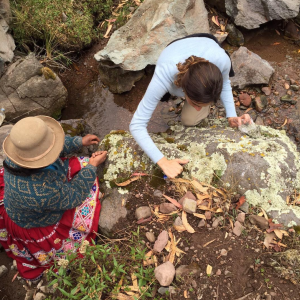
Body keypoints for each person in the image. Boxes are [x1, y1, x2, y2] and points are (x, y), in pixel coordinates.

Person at [0, 116, 107, 281]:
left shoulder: (17, 158)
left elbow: (54, 146)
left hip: (21, 206)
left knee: (81, 165)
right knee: (86, 170)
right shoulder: (42, 192)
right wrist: (92, 167)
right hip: (36, 223)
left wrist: (79, 142)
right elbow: (74, 196)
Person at [130, 34, 251, 178]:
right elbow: (136, 124)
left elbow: (225, 83)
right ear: (183, 90)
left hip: (206, 43)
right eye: (195, 103)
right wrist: (162, 161)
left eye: (204, 104)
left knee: (189, 120)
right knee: (188, 115)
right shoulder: (164, 74)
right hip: (173, 50)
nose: (198, 108)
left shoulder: (221, 60)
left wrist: (231, 115)